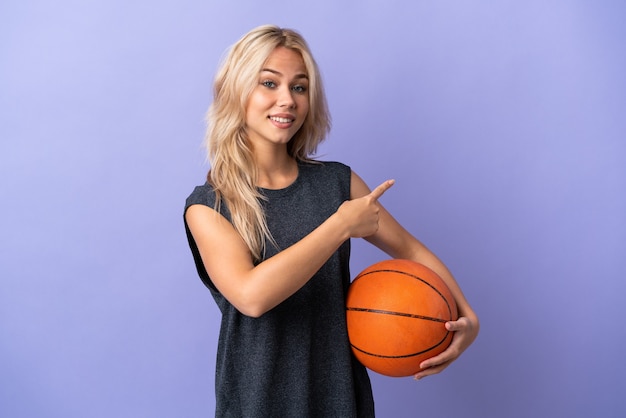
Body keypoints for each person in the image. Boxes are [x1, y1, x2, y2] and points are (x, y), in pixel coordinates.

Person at [184, 24, 479, 417]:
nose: (287, 100)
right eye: (268, 83)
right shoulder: (209, 205)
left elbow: (409, 249)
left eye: (299, 87)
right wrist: (340, 225)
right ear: (236, 91)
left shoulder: (337, 183)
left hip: (341, 398)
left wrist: (466, 314)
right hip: (259, 403)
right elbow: (252, 297)